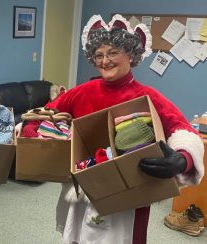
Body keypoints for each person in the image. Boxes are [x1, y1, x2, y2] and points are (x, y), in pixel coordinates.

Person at [48, 14, 204, 244]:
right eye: (99, 55)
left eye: (113, 53)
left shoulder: (148, 96)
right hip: (85, 185)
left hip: (131, 191)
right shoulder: (82, 92)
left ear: (130, 55)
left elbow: (183, 130)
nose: (105, 61)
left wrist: (182, 159)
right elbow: (48, 114)